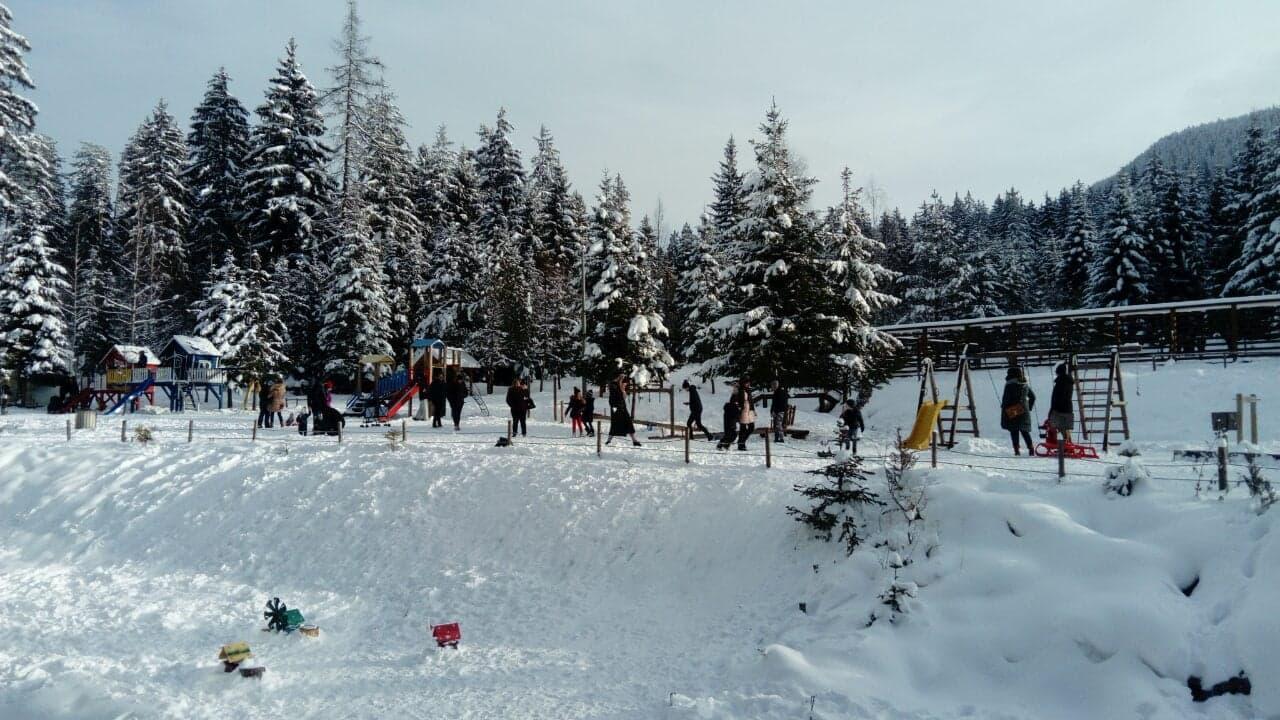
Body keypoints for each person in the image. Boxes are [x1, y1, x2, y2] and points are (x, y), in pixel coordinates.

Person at [1000, 366, 1037, 456]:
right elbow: (1033, 397)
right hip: (1024, 410)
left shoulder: (1009, 385)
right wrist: (1029, 407)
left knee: (1014, 430)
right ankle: (1031, 449)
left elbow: (1006, 399)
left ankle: (1017, 450)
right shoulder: (1025, 384)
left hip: (1013, 409)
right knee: (1024, 431)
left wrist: (1004, 408)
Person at [606, 375, 641, 446]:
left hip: (623, 409)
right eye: (624, 384)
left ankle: (634, 440)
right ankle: (608, 441)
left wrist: (623, 392)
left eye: (625, 385)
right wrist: (616, 408)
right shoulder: (614, 386)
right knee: (615, 424)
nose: (625, 386)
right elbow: (612, 400)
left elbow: (622, 398)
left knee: (628, 423)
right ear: (621, 382)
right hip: (616, 409)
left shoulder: (621, 389)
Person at [1049, 362, 1075, 446]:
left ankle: (1064, 445)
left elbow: (1057, 397)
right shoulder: (1069, 381)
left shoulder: (1060, 381)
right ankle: (1068, 443)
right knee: (1065, 428)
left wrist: (1052, 409)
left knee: (1055, 426)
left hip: (1059, 409)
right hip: (1068, 408)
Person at [735, 380, 757, 451]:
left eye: (748, 382)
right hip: (743, 410)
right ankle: (741, 445)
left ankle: (741, 441)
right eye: (747, 382)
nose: (748, 384)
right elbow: (738, 401)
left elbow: (751, 401)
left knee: (751, 427)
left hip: (749, 411)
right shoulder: (740, 390)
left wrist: (753, 410)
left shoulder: (748, 390)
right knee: (743, 429)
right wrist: (739, 410)